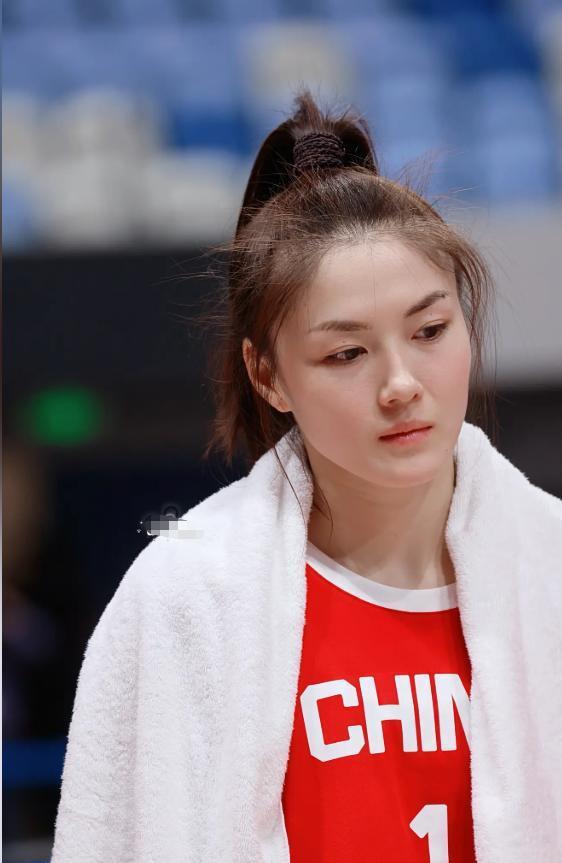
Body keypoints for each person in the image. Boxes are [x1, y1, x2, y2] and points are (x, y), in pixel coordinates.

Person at [50, 89, 562, 863]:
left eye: (430, 329)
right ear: (268, 375)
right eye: (346, 353)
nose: (401, 383)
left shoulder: (549, 565)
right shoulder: (187, 596)